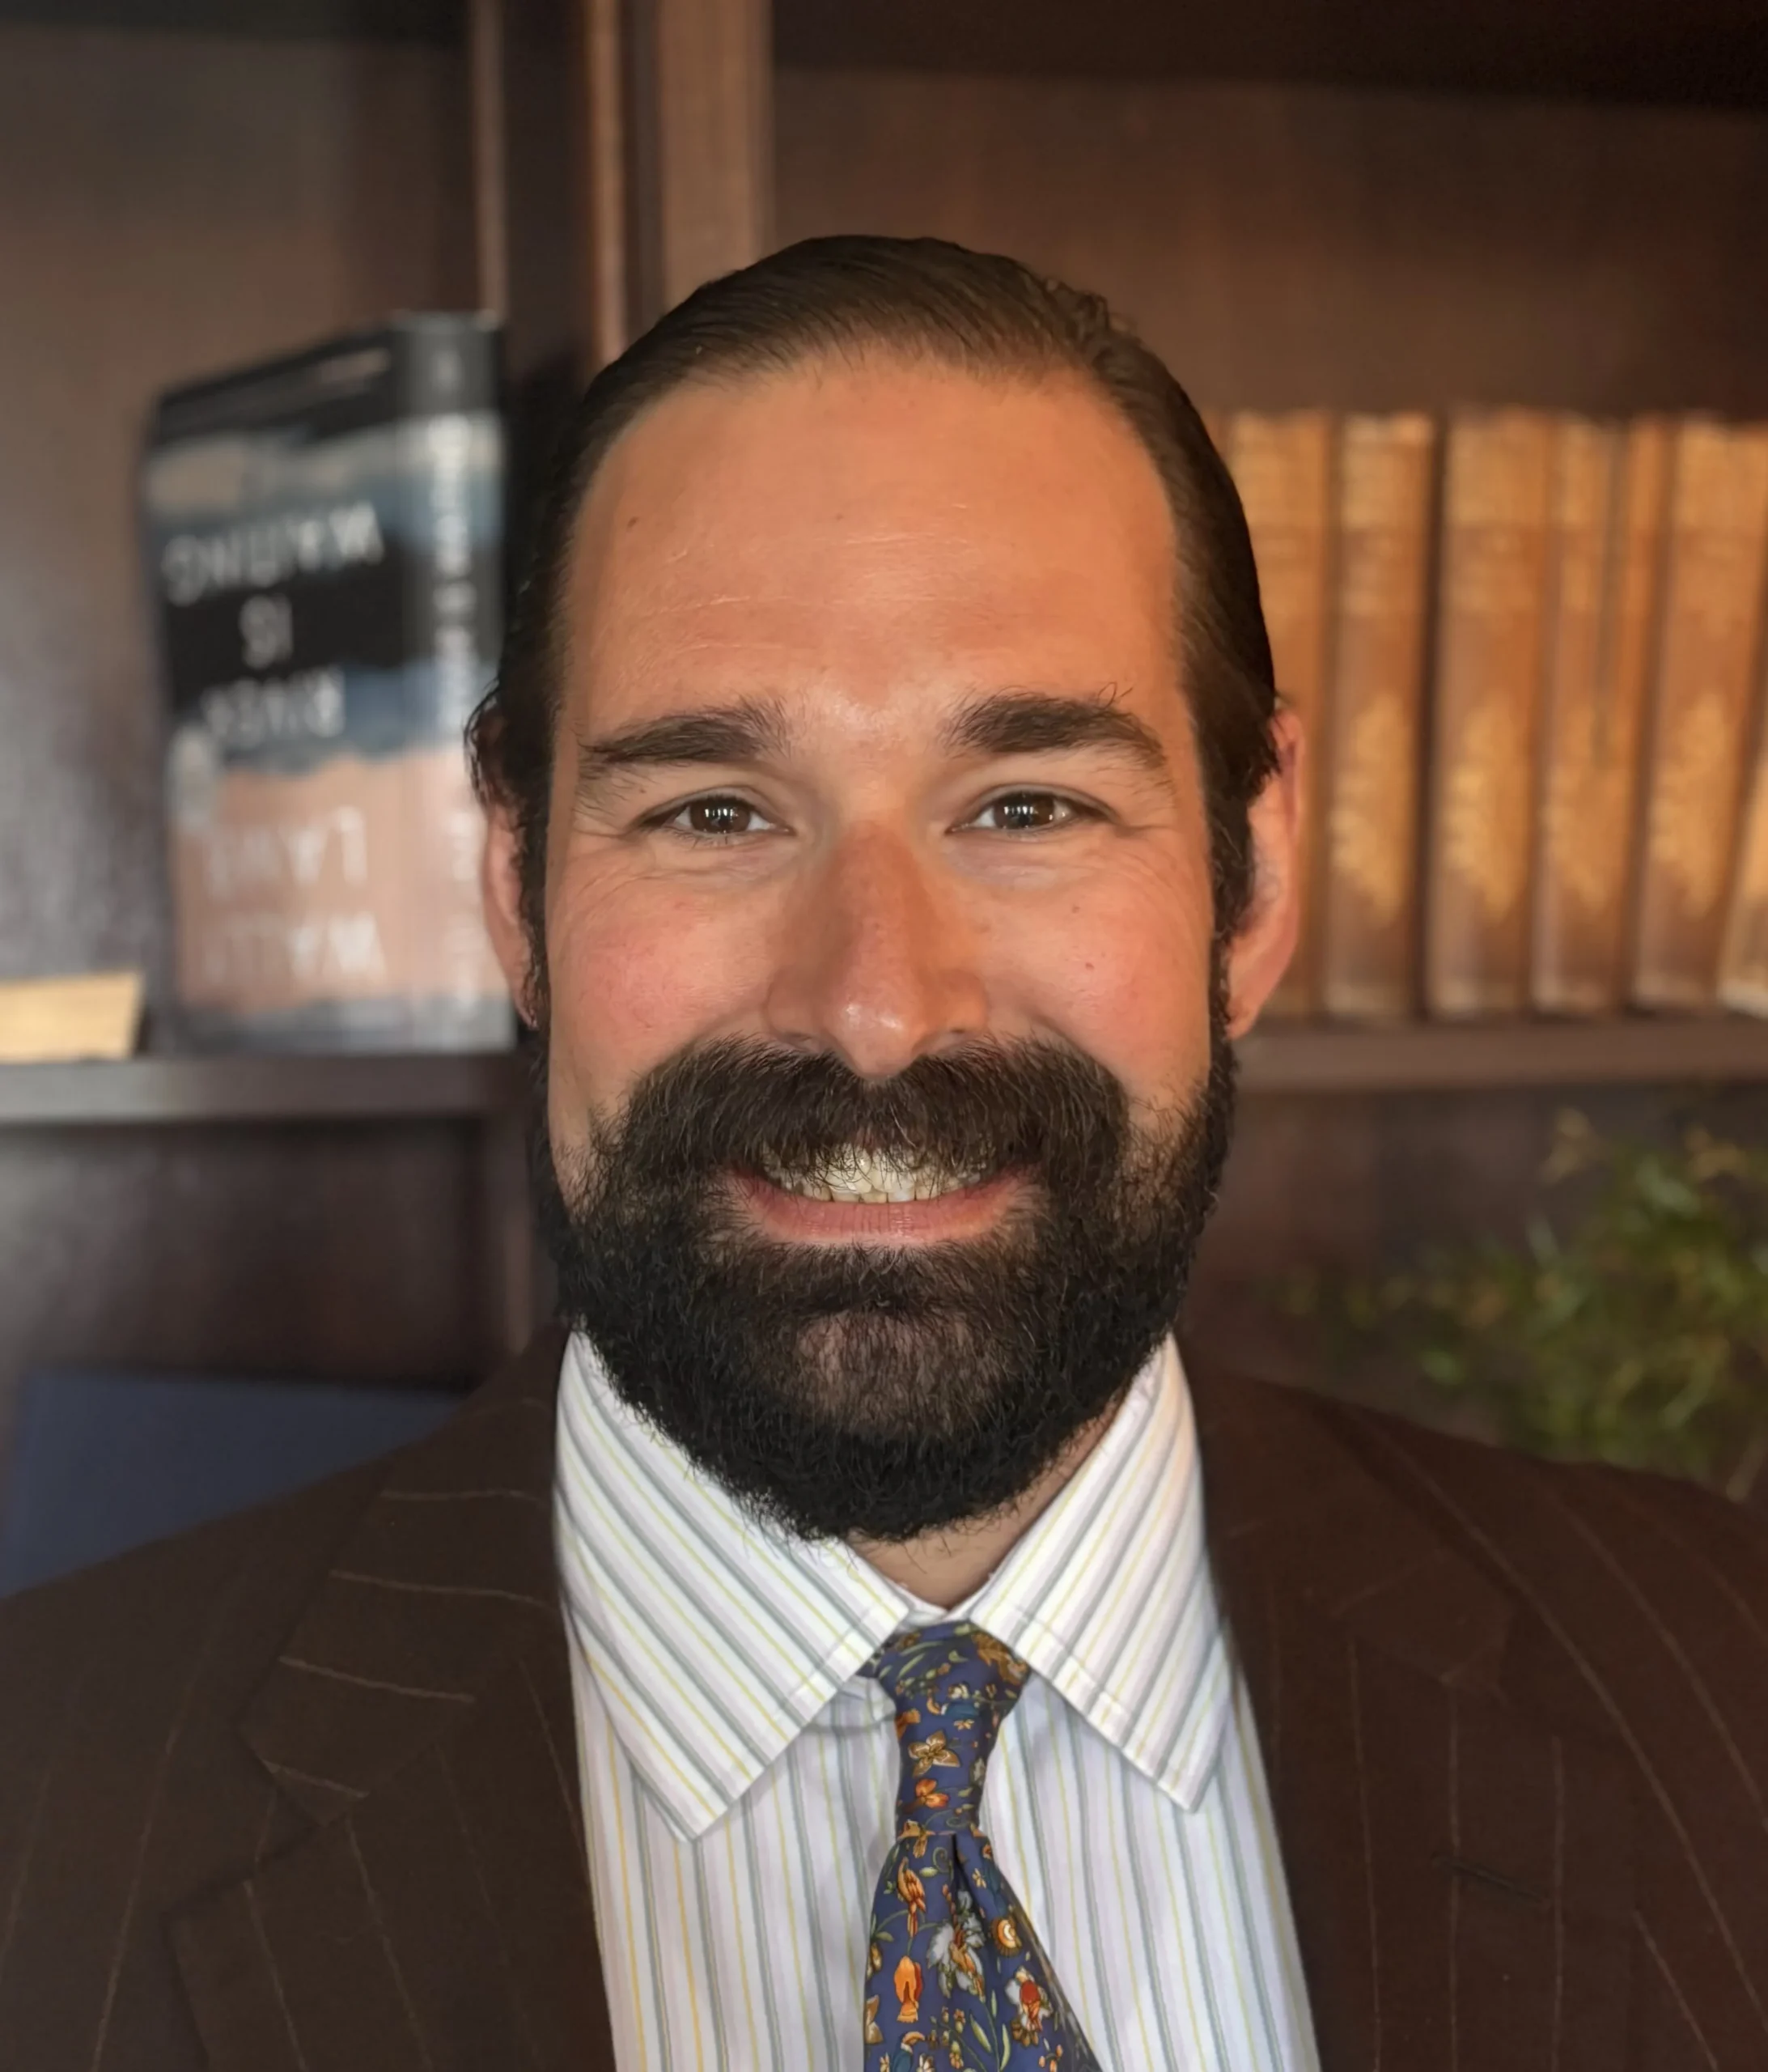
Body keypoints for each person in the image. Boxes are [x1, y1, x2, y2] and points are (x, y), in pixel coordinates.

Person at [3, 236, 1766, 2072]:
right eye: (712, 808)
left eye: (1027, 805)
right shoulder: (42, 1825)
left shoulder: (1725, 1692)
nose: (875, 1005)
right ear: (515, 886)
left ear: (1251, 880)